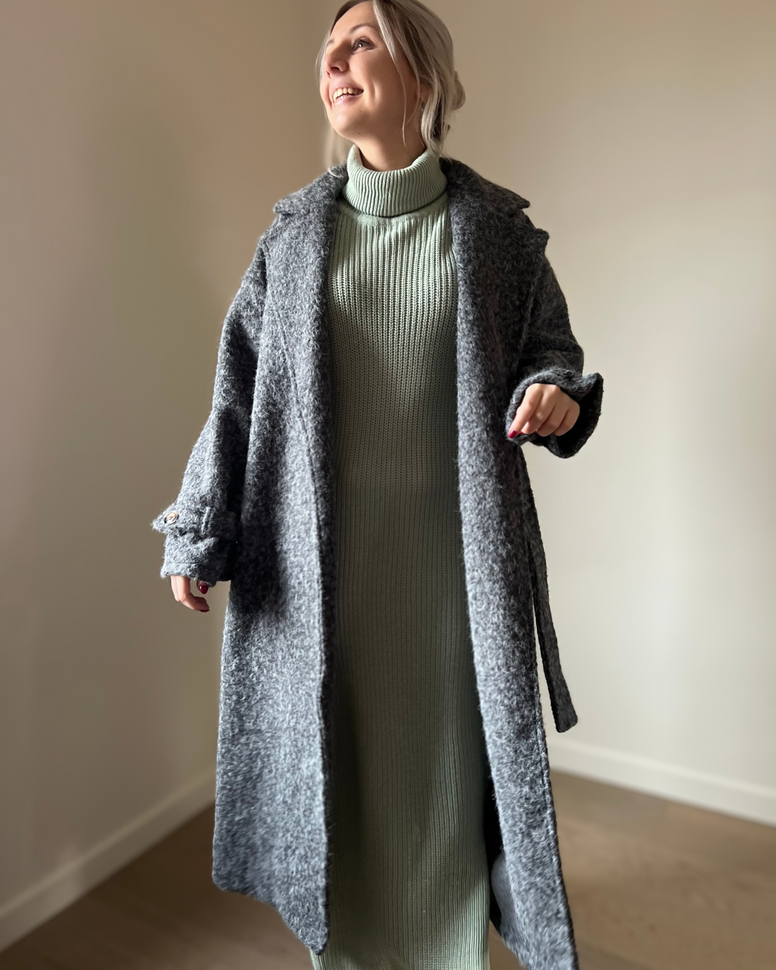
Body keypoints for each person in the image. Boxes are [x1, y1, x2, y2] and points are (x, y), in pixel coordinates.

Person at [155, 2, 602, 968]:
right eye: (328, 48)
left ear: (422, 78)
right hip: (318, 583)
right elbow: (238, 396)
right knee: (336, 796)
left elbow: (552, 355)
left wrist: (555, 395)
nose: (336, 60)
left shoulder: (496, 233)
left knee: (442, 794)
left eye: (361, 42)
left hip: (451, 585)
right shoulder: (291, 240)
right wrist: (198, 527)